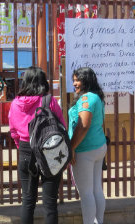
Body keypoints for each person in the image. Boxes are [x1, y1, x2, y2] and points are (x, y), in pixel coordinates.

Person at [8, 66, 66, 224]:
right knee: (50, 203)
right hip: (50, 149)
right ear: (43, 82)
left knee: (28, 201)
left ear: (25, 82)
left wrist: (21, 146)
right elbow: (61, 126)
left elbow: (13, 131)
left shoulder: (15, 104)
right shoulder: (49, 100)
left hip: (26, 150)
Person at [68, 67, 107, 224]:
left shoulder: (86, 99)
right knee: (96, 189)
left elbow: (83, 125)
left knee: (86, 193)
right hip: (98, 147)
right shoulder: (96, 97)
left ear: (86, 80)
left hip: (85, 150)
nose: (74, 83)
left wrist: (71, 147)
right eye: (74, 80)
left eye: (78, 80)